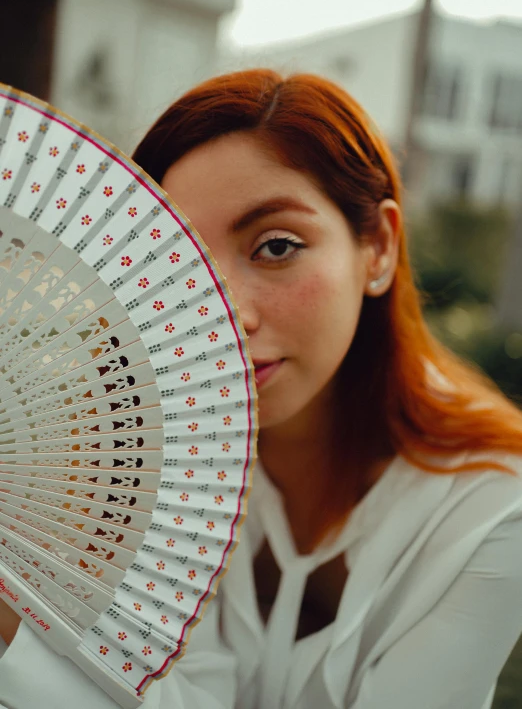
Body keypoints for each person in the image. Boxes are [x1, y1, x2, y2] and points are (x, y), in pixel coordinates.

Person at [2, 68, 522, 709]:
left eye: (276, 246)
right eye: (177, 262)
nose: (222, 313)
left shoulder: (490, 509)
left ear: (379, 248)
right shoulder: (134, 462)